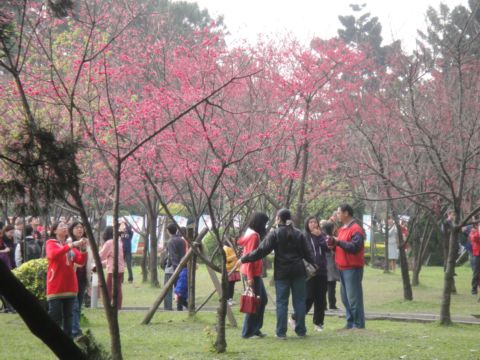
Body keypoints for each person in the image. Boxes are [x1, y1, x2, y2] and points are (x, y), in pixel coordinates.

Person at [239, 209, 314, 339]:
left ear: (279, 218)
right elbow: (308, 254)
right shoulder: (299, 233)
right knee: (300, 302)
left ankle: (281, 333)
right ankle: (301, 331)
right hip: (298, 271)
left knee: (282, 303)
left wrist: (244, 258)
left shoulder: (275, 233)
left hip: (282, 273)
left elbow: (261, 251)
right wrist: (315, 264)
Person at [46, 222, 87, 338]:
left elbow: (80, 261)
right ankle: (52, 337)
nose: (64, 227)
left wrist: (83, 249)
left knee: (69, 316)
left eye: (65, 226)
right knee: (55, 315)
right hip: (56, 286)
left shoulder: (69, 245)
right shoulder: (50, 243)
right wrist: (71, 245)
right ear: (54, 231)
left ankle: (68, 339)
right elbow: (53, 255)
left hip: (70, 286)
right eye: (61, 226)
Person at [328, 204, 366, 330]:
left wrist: (338, 242)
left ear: (346, 213)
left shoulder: (356, 229)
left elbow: (355, 247)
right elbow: (341, 246)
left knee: (354, 298)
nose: (337, 215)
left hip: (352, 268)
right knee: (345, 298)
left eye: (339, 212)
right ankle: (350, 322)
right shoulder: (342, 229)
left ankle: (358, 324)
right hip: (342, 267)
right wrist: (333, 245)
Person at [291, 216, 328, 332]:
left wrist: (321, 236)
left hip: (322, 271)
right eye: (310, 222)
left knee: (321, 298)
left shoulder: (322, 235)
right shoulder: (304, 236)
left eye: (315, 222)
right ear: (307, 224)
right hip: (309, 272)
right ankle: (294, 318)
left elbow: (327, 247)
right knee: (308, 297)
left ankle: (318, 323)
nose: (313, 224)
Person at [237, 212, 269, 339]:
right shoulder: (254, 236)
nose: (266, 226)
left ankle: (255, 329)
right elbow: (250, 257)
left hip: (253, 272)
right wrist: (250, 278)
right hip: (251, 273)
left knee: (262, 300)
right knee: (253, 301)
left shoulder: (250, 233)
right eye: (265, 223)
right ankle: (247, 332)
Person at [68, 221, 90, 338]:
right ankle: (75, 331)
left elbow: (87, 261)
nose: (80, 229)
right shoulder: (69, 243)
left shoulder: (85, 243)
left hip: (82, 278)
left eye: (81, 227)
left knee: (78, 305)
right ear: (71, 230)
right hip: (72, 278)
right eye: (77, 227)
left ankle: (74, 328)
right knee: (74, 306)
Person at [99, 226, 125, 309]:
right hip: (121, 269)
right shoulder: (119, 241)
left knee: (109, 289)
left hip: (113, 270)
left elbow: (101, 256)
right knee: (118, 288)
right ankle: (118, 306)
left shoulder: (110, 243)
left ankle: (108, 307)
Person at [165, 224, 188, 311]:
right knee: (180, 288)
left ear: (168, 231)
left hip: (175, 267)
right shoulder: (181, 240)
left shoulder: (171, 241)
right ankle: (180, 307)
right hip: (183, 265)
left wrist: (175, 268)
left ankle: (181, 306)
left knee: (174, 288)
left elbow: (172, 256)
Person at [321, 220, 340, 310]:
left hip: (324, 263)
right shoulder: (330, 238)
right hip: (330, 263)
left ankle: (324, 305)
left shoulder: (321, 237)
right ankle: (332, 305)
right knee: (331, 285)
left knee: (325, 286)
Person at [224, 240, 240, 306]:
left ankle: (230, 299)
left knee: (232, 285)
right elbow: (226, 259)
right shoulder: (225, 248)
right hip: (229, 269)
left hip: (234, 268)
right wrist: (235, 256)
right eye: (232, 241)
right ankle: (227, 300)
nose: (234, 242)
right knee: (229, 285)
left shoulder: (233, 248)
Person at [469, 222, 480, 295]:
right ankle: (474, 289)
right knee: (476, 272)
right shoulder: (474, 232)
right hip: (477, 254)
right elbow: (474, 239)